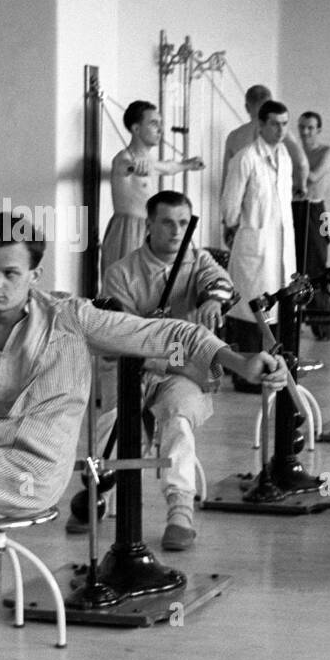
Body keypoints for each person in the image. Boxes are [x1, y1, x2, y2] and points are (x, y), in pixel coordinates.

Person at [0, 221, 285, 660]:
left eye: (10, 273)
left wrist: (239, 359)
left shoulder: (70, 319)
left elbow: (165, 333)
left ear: (35, 274)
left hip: (30, 475)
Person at [95, 191, 237, 550]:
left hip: (182, 371)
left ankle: (180, 510)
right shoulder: (121, 273)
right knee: (111, 423)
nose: (176, 231)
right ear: (149, 225)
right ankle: (99, 493)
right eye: (167, 223)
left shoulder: (198, 260)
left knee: (178, 420)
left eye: (183, 223)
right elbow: (117, 335)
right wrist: (151, 335)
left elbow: (222, 285)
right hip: (131, 369)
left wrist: (211, 299)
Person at [221, 100, 296, 360]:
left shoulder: (285, 157)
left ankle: (274, 364)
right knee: (250, 309)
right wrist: (244, 226)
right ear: (261, 125)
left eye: (285, 124)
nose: (280, 130)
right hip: (254, 245)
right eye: (275, 124)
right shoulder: (245, 158)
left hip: (282, 247)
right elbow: (229, 209)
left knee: (278, 305)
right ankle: (247, 371)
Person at [102, 101, 204, 273]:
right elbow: (127, 166)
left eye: (160, 124)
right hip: (128, 230)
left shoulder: (151, 161)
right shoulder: (123, 158)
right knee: (124, 283)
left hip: (149, 228)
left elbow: (167, 167)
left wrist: (187, 164)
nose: (160, 129)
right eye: (153, 123)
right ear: (136, 129)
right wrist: (135, 167)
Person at [222, 83, 309, 202]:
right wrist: (301, 187)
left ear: (247, 107)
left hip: (244, 203)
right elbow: (302, 163)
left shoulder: (234, 137)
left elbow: (226, 182)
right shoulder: (281, 132)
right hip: (272, 203)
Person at [295, 111, 330, 329]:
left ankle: (321, 320)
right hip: (294, 207)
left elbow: (312, 177)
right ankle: (292, 317)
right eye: (302, 127)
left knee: (317, 260)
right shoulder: (292, 151)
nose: (305, 131)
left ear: (318, 130)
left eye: (310, 127)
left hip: (317, 209)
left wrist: (297, 167)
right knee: (293, 261)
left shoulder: (326, 152)